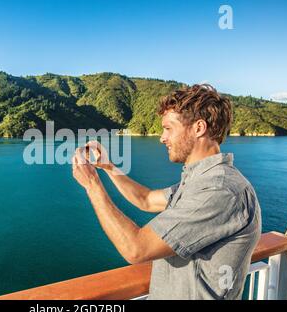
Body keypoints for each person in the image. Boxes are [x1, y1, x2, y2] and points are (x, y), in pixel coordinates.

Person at [72, 84, 262, 300]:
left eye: (168, 128)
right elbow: (146, 200)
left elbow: (136, 249)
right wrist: (108, 167)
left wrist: (92, 186)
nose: (162, 138)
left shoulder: (219, 190)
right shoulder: (200, 181)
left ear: (198, 128)